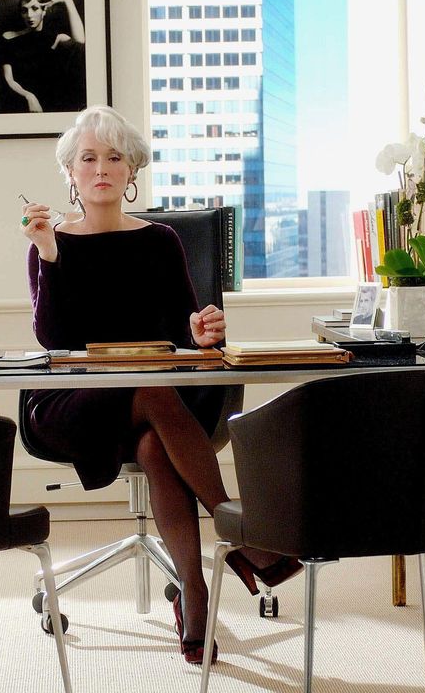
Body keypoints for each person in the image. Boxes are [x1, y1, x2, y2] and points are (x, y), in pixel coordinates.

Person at [19, 106, 300, 665]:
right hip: (74, 401)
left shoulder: (161, 240)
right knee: (149, 394)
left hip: (158, 402)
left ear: (132, 171)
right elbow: (53, 340)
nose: (102, 168)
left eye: (115, 157)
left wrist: (201, 330)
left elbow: (183, 333)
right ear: (70, 174)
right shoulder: (49, 244)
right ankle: (238, 530)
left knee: (152, 436)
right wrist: (51, 258)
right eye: (88, 158)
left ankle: (194, 593)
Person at [0, 0, 86, 114]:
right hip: (20, 103)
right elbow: (9, 79)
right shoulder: (9, 38)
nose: (29, 15)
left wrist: (67, 0)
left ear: (44, 11)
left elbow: (80, 40)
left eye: (35, 8)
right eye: (24, 10)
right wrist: (29, 96)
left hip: (52, 105)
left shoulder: (56, 38)